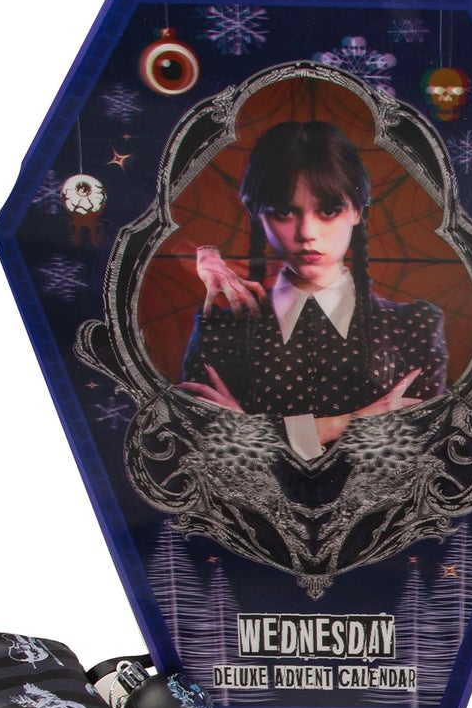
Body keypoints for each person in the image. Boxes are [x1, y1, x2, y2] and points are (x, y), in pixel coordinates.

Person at [179, 119, 448, 464]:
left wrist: (249, 431)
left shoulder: (415, 326)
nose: (307, 232)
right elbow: (207, 459)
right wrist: (344, 423)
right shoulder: (219, 331)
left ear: (357, 210)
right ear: (256, 213)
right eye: (284, 212)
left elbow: (419, 457)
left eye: (328, 210)